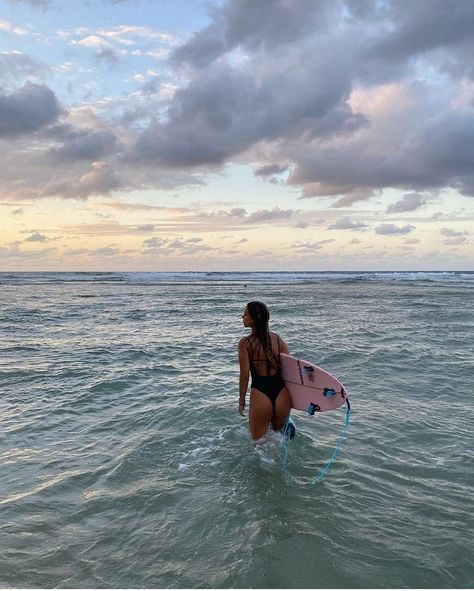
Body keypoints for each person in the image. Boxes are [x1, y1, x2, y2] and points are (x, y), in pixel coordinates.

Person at [238, 301, 293, 440]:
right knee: (278, 438)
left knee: (259, 445)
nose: (242, 316)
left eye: (245, 314)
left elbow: (245, 376)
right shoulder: (277, 339)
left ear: (255, 318)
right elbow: (290, 368)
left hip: (261, 395)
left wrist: (241, 401)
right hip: (282, 395)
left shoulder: (245, 343)